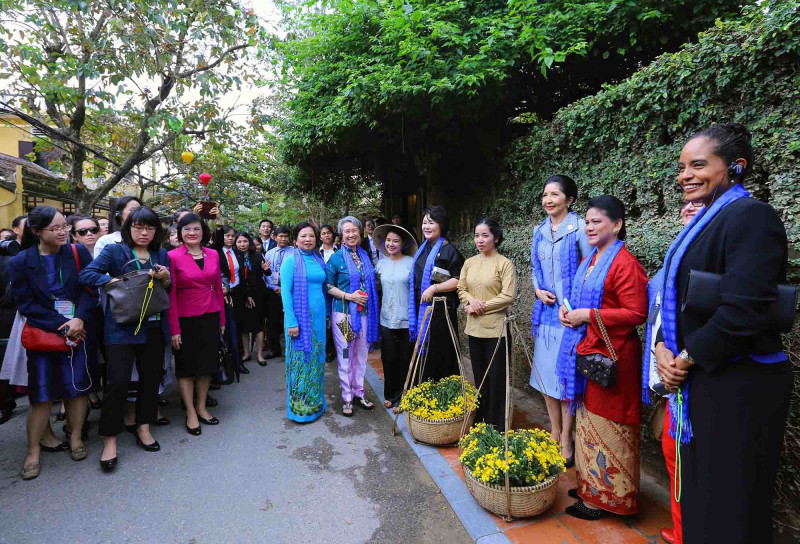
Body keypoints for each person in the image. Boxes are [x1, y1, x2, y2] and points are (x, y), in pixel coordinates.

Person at [655, 124, 791, 544]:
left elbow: (744, 308)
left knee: (728, 506)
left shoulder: (751, 215)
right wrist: (662, 346)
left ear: (736, 167)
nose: (686, 175)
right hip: (704, 379)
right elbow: (674, 299)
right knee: (701, 500)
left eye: (699, 164)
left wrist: (686, 356)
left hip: (738, 384)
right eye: (682, 167)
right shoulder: (708, 220)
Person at [556, 195, 647, 520]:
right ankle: (590, 488)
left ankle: (609, 500)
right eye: (588, 222)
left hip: (614, 360)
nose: (590, 227)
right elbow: (582, 303)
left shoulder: (625, 264)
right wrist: (571, 314)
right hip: (590, 355)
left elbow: (637, 312)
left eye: (598, 222)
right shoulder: (592, 259)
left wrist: (587, 315)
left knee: (610, 427)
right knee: (588, 424)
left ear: (617, 224)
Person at [8, 206, 98, 479]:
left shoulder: (77, 252)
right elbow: (26, 304)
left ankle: (76, 438)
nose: (62, 232)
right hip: (45, 335)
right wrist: (63, 326)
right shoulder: (20, 262)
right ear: (36, 232)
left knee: (76, 388)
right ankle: (33, 450)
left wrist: (79, 319)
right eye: (55, 228)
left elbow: (89, 291)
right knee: (42, 395)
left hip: (78, 332)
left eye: (64, 227)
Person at [79, 206, 170, 472]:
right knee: (117, 382)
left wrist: (165, 278)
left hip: (152, 325)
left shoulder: (159, 253)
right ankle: (110, 439)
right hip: (120, 327)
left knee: (151, 378)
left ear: (156, 231)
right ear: (128, 227)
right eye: (138, 227)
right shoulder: (115, 251)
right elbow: (87, 274)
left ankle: (143, 427)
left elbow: (168, 288)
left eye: (150, 228)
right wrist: (115, 281)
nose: (144, 233)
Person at [642, 199, 704, 544]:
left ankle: (690, 531)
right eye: (687, 203)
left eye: (701, 202)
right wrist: (660, 354)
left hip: (694, 375)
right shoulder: (677, 252)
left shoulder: (712, 253)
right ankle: (682, 530)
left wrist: (680, 359)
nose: (689, 206)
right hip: (665, 372)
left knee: (688, 458)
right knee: (672, 453)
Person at [529, 175, 592, 463]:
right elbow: (533, 268)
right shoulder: (539, 231)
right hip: (545, 315)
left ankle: (567, 437)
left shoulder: (579, 228)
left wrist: (576, 309)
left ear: (570, 199)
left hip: (570, 319)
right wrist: (537, 290)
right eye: (545, 194)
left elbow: (589, 269)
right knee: (546, 379)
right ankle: (553, 430)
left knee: (565, 381)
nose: (548, 199)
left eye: (554, 194)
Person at [167, 213, 225, 435]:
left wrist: (221, 319)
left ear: (203, 232)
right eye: (187, 229)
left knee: (206, 365)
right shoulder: (171, 256)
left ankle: (201, 407)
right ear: (180, 233)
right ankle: (190, 411)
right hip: (184, 319)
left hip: (210, 315)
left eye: (196, 229)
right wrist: (174, 328)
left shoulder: (212, 254)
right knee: (186, 368)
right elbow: (170, 295)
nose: (192, 233)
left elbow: (218, 287)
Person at [457, 218, 516, 429]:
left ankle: (498, 425)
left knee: (497, 379)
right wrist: (469, 301)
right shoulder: (469, 262)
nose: (479, 240)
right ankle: (481, 422)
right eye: (476, 235)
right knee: (480, 378)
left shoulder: (504, 263)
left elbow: (508, 296)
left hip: (496, 330)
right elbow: (461, 289)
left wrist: (481, 306)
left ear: (496, 238)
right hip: (474, 329)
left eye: (485, 235)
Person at [325, 216, 379, 416]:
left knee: (361, 355)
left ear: (360, 232)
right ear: (341, 235)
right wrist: (350, 296)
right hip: (344, 315)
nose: (351, 234)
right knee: (346, 355)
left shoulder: (365, 256)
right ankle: (347, 396)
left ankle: (359, 392)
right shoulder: (336, 259)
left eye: (354, 230)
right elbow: (328, 286)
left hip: (364, 314)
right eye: (346, 231)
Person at [408, 205, 465, 383]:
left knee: (441, 354)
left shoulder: (450, 251)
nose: (426, 226)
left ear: (441, 225)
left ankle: (443, 400)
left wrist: (434, 288)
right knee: (424, 356)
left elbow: (460, 279)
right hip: (422, 312)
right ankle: (424, 392)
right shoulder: (422, 249)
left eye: (431, 222)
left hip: (441, 315)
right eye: (424, 222)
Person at [281, 222, 328, 422]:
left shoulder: (318, 260)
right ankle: (300, 409)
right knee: (300, 360)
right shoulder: (290, 260)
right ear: (295, 240)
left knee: (316, 358)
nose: (308, 239)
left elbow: (324, 288)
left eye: (311, 236)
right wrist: (291, 321)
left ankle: (316, 403)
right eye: (303, 236)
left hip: (318, 320)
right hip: (299, 320)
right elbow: (285, 292)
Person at [373, 224, 417, 408]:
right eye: (388, 240)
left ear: (403, 243)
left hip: (407, 320)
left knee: (405, 360)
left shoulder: (411, 262)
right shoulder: (380, 264)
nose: (391, 244)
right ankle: (390, 395)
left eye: (395, 241)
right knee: (389, 359)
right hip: (386, 319)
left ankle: (406, 397)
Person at [233, 232, 267, 366]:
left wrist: (266, 269)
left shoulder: (257, 256)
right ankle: (246, 353)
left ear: (250, 243)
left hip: (258, 294)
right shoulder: (234, 257)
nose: (242, 244)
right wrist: (246, 296)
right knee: (244, 326)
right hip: (241, 295)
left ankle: (259, 355)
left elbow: (266, 272)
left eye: (245, 241)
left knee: (258, 326)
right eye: (239, 242)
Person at [264, 226, 291, 358]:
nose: (284, 239)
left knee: (288, 320)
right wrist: (275, 288)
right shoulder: (269, 253)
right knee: (273, 321)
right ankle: (275, 349)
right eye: (281, 236)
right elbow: (266, 274)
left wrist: (285, 289)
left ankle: (289, 349)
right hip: (273, 292)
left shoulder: (294, 253)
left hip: (289, 292)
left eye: (286, 236)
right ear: (275, 237)